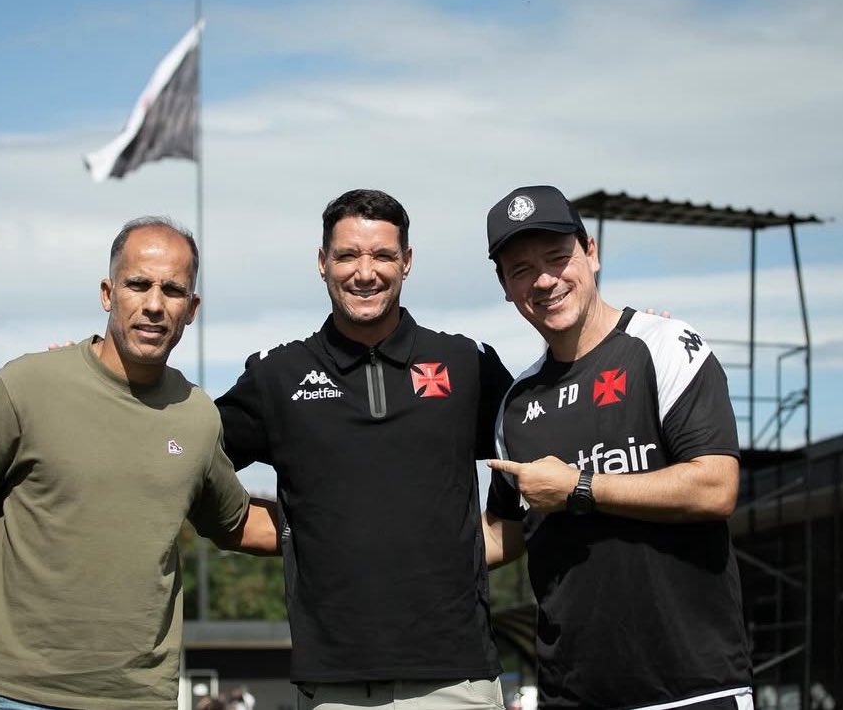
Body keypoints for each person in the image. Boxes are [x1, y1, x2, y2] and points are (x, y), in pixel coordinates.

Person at [0, 216, 279, 710]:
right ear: (107, 293)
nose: (154, 304)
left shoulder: (198, 416)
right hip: (15, 695)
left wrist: (341, 528)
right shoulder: (26, 386)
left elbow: (237, 523)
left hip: (139, 700)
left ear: (192, 308)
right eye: (138, 284)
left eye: (172, 290)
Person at [216, 190, 510, 710]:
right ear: (322, 262)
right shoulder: (277, 375)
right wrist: (293, 531)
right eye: (348, 255)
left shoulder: (466, 363)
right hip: (333, 686)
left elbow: (542, 448)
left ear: (407, 261)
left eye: (382, 256)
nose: (365, 272)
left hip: (456, 681)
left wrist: (484, 540)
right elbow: (187, 460)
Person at [482, 185, 752, 709]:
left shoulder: (664, 345)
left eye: (557, 257)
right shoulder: (516, 403)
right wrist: (379, 553)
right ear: (506, 287)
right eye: (521, 270)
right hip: (572, 695)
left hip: (694, 690)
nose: (544, 280)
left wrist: (580, 487)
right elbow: (503, 534)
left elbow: (716, 486)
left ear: (592, 252)